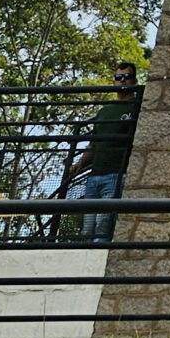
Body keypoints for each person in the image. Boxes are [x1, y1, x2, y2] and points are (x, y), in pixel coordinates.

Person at [61, 62, 142, 243]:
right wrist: (79, 165)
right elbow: (93, 144)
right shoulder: (104, 111)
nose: (122, 81)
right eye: (118, 77)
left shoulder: (137, 107)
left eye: (127, 77)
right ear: (114, 81)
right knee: (88, 229)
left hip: (116, 174)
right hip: (95, 176)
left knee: (102, 225)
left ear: (134, 80)